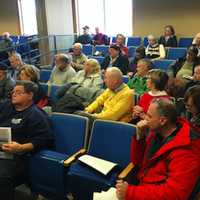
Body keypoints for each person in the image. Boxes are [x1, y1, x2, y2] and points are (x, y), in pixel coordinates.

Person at [116, 98, 200, 200]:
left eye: (149, 116)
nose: (145, 119)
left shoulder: (187, 151)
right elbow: (138, 162)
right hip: (144, 188)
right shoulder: (157, 132)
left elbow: (174, 195)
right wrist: (140, 137)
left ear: (163, 120)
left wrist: (130, 192)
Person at [0, 80, 54, 200]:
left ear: (30, 95)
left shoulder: (37, 115)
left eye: (18, 92)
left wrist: (21, 147)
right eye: (13, 92)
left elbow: (43, 140)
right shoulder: (6, 106)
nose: (13, 94)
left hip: (19, 157)